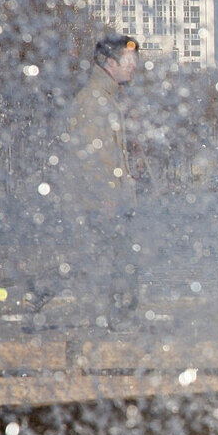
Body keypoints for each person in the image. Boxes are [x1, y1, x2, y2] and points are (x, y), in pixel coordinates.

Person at [60, 32, 142, 330]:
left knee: (115, 266)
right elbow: (93, 157)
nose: (134, 66)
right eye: (129, 61)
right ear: (109, 63)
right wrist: (107, 198)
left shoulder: (105, 99)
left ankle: (114, 323)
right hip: (103, 205)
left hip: (108, 203)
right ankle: (115, 327)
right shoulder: (95, 101)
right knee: (115, 266)